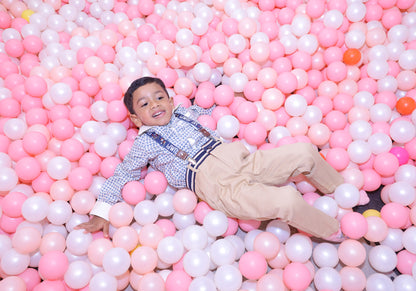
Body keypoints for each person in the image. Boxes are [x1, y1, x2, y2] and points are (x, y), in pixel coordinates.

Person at [77, 77, 345, 242]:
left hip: (243, 159)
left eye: (159, 98)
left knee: (305, 151)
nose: (155, 105)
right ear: (135, 119)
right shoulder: (144, 143)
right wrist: (102, 212)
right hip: (218, 185)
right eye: (145, 105)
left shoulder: (187, 112)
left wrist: (238, 92)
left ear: (171, 101)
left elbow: (213, 104)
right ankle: (334, 231)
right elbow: (124, 174)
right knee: (286, 199)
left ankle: (342, 191)